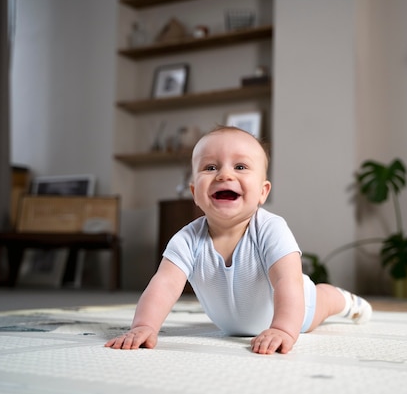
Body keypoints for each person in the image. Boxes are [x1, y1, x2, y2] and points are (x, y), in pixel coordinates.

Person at [105, 126, 372, 355]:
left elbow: (286, 281)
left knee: (322, 300)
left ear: (262, 191)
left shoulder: (270, 229)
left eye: (240, 166)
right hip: (232, 326)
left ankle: (346, 301)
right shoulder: (187, 239)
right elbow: (163, 285)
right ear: (195, 192)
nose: (224, 175)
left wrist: (282, 329)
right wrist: (144, 326)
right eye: (210, 167)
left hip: (294, 310)